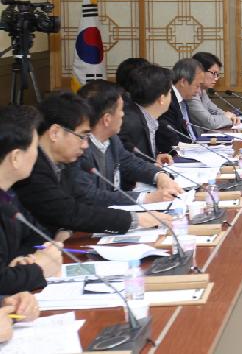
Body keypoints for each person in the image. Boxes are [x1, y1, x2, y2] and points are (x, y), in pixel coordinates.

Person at [12, 92, 170, 236]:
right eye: (82, 136)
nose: (85, 145)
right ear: (55, 133)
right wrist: (135, 219)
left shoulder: (61, 163)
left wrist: (64, 230)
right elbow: (70, 212)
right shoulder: (33, 170)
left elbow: (70, 207)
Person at [76, 80, 181, 200]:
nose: (123, 114)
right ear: (107, 119)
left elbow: (131, 163)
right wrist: (146, 199)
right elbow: (92, 197)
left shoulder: (112, 139)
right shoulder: (80, 150)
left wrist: (160, 176)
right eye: (121, 110)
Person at [0, 106, 62, 295]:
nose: (38, 155)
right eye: (35, 148)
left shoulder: (9, 195)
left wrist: (26, 259)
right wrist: (38, 268)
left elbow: (37, 236)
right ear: (16, 157)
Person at [118, 64, 174, 164]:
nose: (171, 97)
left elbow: (141, 157)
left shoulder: (141, 116)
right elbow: (127, 164)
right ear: (161, 99)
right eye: (170, 92)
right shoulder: (131, 123)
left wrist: (155, 157)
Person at [155, 58, 204, 154]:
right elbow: (171, 142)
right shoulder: (167, 102)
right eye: (197, 86)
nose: (199, 92)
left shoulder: (182, 100)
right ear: (183, 82)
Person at [187, 52, 240, 129]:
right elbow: (210, 123)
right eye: (213, 73)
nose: (216, 78)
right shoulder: (189, 92)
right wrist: (227, 118)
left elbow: (214, 110)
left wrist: (230, 116)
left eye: (217, 74)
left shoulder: (202, 90)